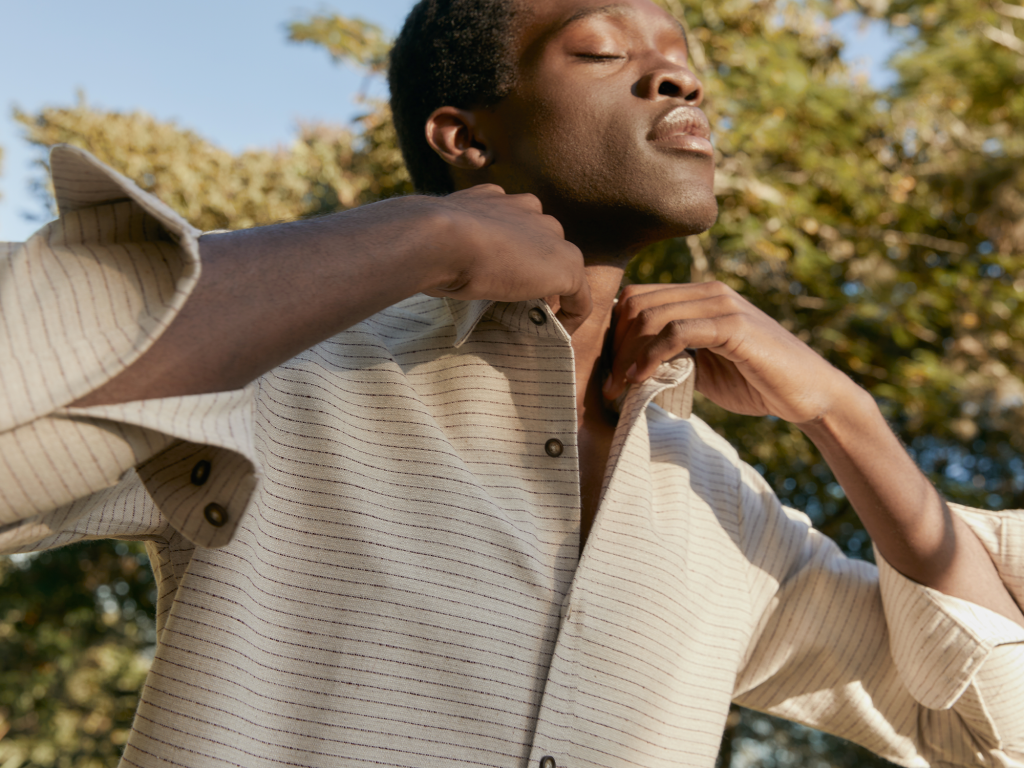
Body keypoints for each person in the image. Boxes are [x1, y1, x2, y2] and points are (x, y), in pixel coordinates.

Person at [2, 0, 1023, 765]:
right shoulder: (275, 360)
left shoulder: (723, 509)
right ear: (463, 136)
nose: (677, 82)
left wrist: (844, 414)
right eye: (602, 50)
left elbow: (985, 731)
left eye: (682, 63)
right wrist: (414, 235)